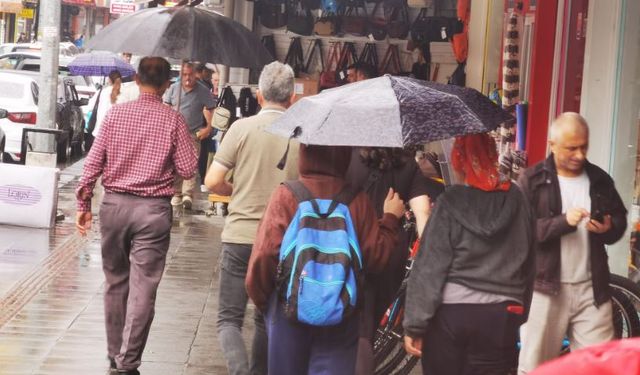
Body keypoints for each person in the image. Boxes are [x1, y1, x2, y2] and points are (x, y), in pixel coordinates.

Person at [75, 56, 198, 375]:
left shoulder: (115, 115)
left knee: (115, 282)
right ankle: (128, 362)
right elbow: (187, 169)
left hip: (114, 207)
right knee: (144, 287)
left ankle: (114, 354)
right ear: (166, 84)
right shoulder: (173, 119)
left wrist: (83, 205)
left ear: (138, 79)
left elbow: (92, 164)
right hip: (152, 213)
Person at [246, 144, 405, 375]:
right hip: (341, 314)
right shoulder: (357, 199)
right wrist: (390, 219)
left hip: (289, 312)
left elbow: (264, 255)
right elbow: (376, 258)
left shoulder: (286, 194)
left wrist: (268, 304)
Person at [403, 132, 535, 375]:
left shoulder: (450, 201)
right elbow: (529, 260)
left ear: (459, 160)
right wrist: (520, 312)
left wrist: (415, 323)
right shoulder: (517, 199)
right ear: (493, 157)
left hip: (451, 315)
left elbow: (430, 266)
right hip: (501, 314)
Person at [203, 61, 299, 375]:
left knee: (228, 319)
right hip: (283, 242)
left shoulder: (241, 129)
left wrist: (238, 188)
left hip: (240, 238)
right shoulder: (301, 135)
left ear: (258, 96)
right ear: (292, 99)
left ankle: (240, 371)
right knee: (266, 317)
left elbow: (213, 181)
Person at [517, 112, 628, 374]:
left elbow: (620, 221)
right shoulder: (531, 181)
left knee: (599, 368)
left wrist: (608, 228)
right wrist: (563, 222)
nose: (579, 154)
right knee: (535, 368)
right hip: (544, 288)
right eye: (571, 148)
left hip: (592, 289)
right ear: (552, 145)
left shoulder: (600, 179)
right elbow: (520, 232)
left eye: (584, 146)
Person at [345, 147, 431, 375]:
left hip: (350, 248)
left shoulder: (348, 156)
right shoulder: (407, 164)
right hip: (389, 252)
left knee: (348, 327)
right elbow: (423, 213)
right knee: (369, 327)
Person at [164, 61, 216, 209]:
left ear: (196, 75)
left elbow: (211, 110)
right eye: (185, 75)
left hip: (193, 133)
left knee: (191, 164)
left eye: (190, 75)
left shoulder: (203, 91)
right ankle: (176, 193)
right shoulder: (174, 89)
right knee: (174, 164)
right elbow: (166, 108)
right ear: (181, 74)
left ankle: (188, 194)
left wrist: (208, 128)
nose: (188, 78)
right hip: (174, 133)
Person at [85, 70, 122, 151]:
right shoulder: (122, 93)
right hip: (116, 132)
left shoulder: (103, 91)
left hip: (100, 129)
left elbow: (90, 107)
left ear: (109, 79)